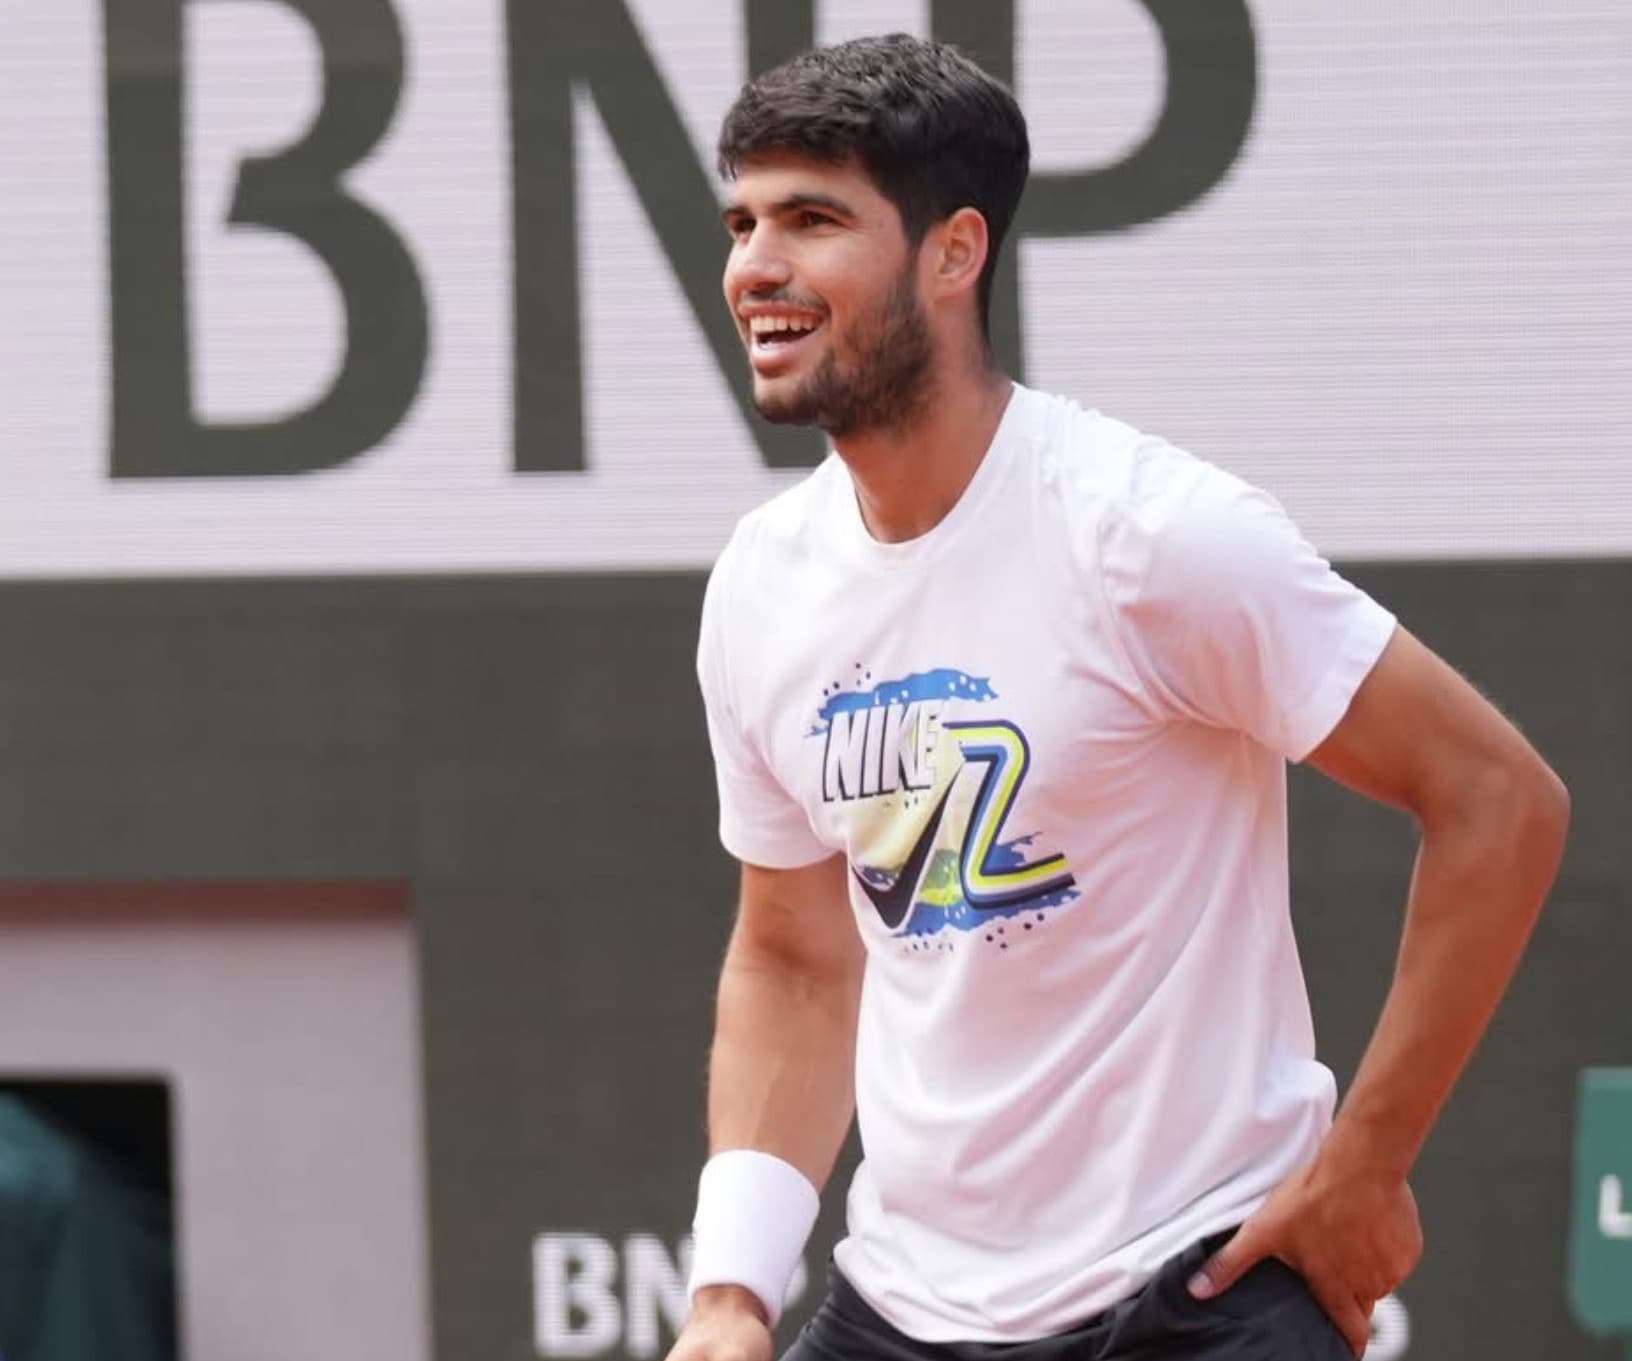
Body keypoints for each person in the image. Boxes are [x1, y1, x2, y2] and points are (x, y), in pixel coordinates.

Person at [675, 33, 1569, 1361]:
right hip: (902, 1310)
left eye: (813, 220)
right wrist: (733, 1288)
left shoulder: (1150, 534)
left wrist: (1364, 1164)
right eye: (744, 220)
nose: (757, 264)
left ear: (953, 252)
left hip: (1195, 1297)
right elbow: (798, 954)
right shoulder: (762, 586)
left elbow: (1499, 797)